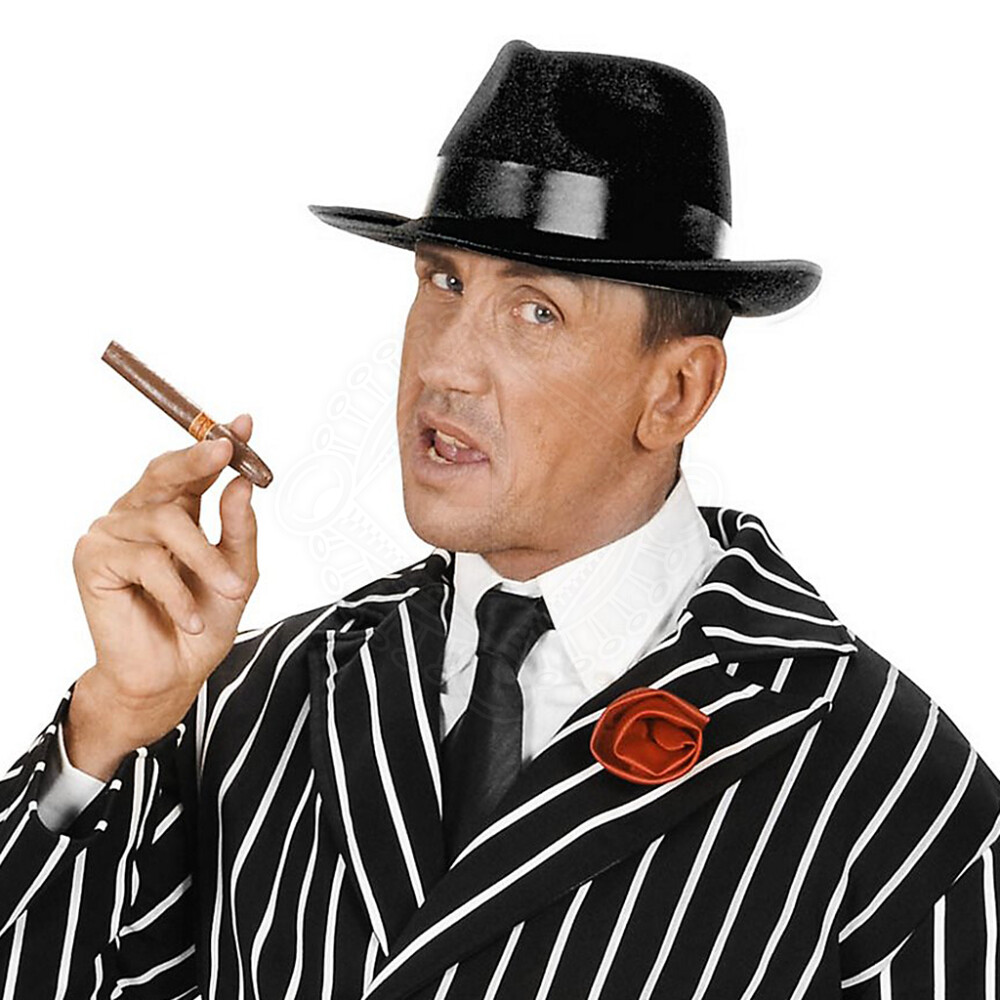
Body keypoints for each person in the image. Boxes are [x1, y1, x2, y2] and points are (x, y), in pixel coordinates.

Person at [1, 39, 997, 1000]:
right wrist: (108, 725)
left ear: (677, 391)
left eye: (535, 311)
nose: (443, 364)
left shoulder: (892, 787)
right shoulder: (246, 701)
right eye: (443, 282)